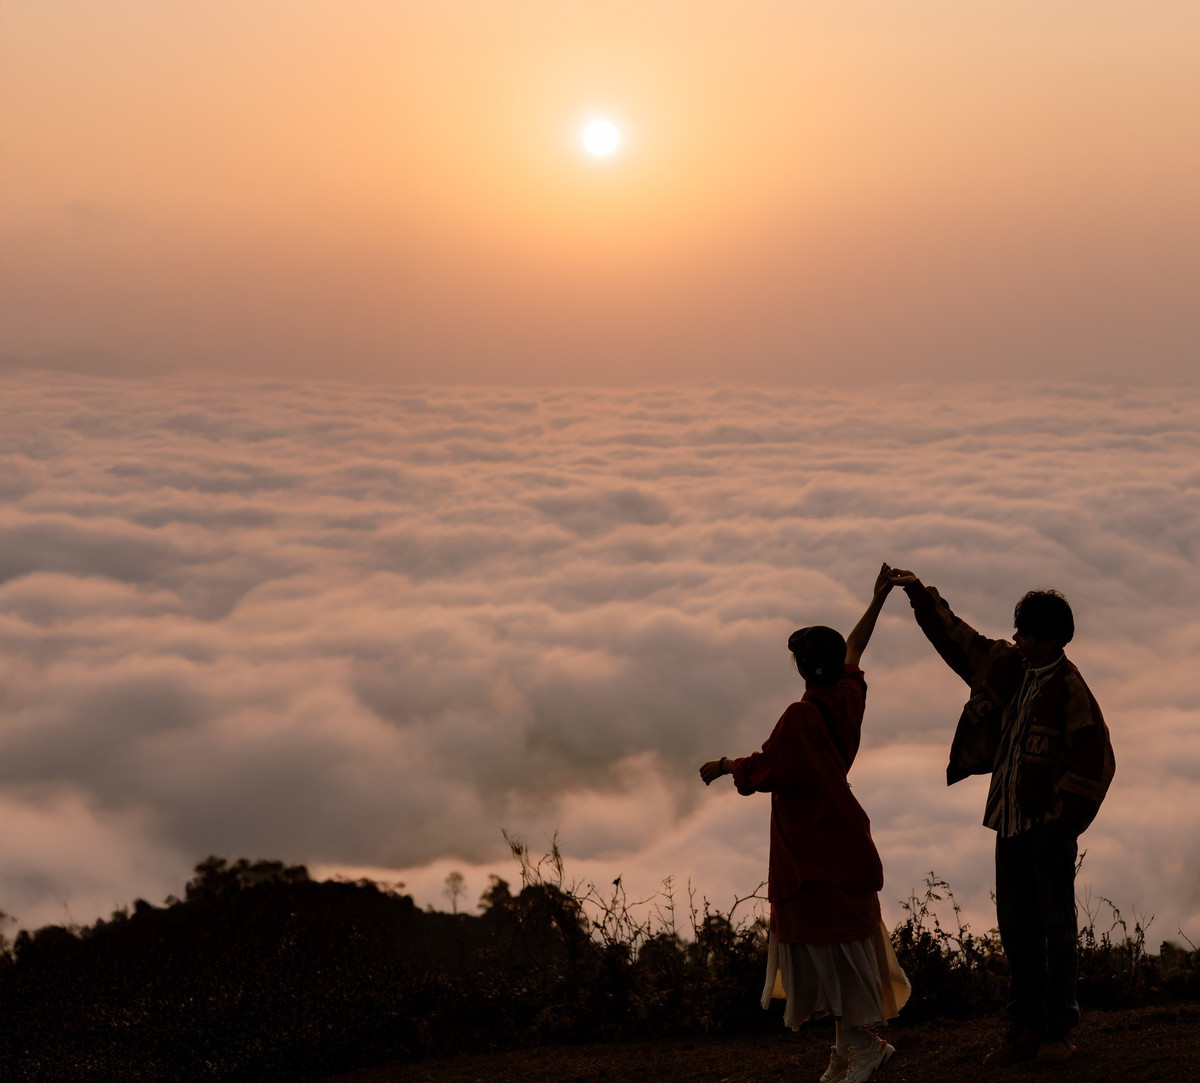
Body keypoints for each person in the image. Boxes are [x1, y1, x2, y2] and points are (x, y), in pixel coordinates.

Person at [885, 568, 1115, 1066]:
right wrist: (918, 594)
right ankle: (1026, 1027)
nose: (1016, 638)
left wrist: (1058, 823)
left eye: (1025, 633)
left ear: (1050, 639)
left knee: (1055, 930)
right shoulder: (1011, 668)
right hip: (1007, 824)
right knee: (1015, 929)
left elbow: (1095, 764)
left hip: (1042, 831)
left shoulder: (1073, 693)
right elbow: (958, 639)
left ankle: (1057, 1030)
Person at [700, 564, 910, 1083]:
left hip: (811, 852)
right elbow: (855, 650)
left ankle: (866, 1047)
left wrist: (723, 765)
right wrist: (879, 598)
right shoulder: (847, 697)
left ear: (804, 668)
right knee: (843, 949)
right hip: (845, 843)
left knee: (825, 952)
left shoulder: (801, 717)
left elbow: (763, 770)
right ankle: (846, 1050)